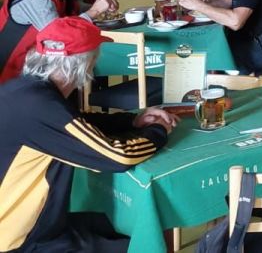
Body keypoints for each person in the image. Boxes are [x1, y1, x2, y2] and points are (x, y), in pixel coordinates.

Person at [0, 16, 176, 252]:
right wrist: (159, 131)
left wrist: (132, 120)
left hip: (33, 226)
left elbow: (77, 124)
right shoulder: (43, 106)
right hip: (22, 240)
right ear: (83, 64)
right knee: (146, 240)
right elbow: (118, 157)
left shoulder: (25, 91)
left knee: (136, 226)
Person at [0, 0, 118, 84]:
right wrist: (95, 11)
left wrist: (103, 8)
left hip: (35, 65)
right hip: (12, 71)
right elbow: (60, 35)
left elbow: (75, 10)